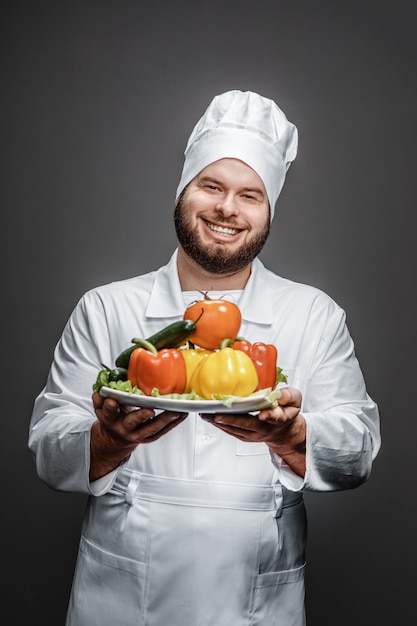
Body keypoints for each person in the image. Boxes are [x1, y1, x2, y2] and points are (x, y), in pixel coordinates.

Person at [28, 89, 381, 626]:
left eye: (250, 195)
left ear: (268, 211)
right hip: (120, 601)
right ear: (182, 192)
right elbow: (50, 455)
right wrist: (108, 439)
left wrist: (290, 436)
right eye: (211, 186)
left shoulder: (314, 315)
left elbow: (357, 454)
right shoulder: (105, 308)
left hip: (256, 601)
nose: (226, 209)